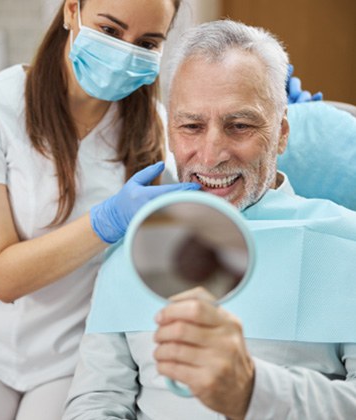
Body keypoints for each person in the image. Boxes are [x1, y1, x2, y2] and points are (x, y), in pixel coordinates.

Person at [0, 1, 200, 419]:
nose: (126, 52)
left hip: (77, 356)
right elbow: (2, 277)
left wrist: (281, 121)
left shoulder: (154, 127)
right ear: (71, 11)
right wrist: (107, 221)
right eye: (111, 31)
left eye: (147, 42)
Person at [63, 20, 356, 419]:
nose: (211, 153)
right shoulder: (132, 248)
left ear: (282, 133)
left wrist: (253, 391)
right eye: (191, 126)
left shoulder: (346, 245)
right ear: (170, 133)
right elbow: (96, 399)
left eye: (239, 126)